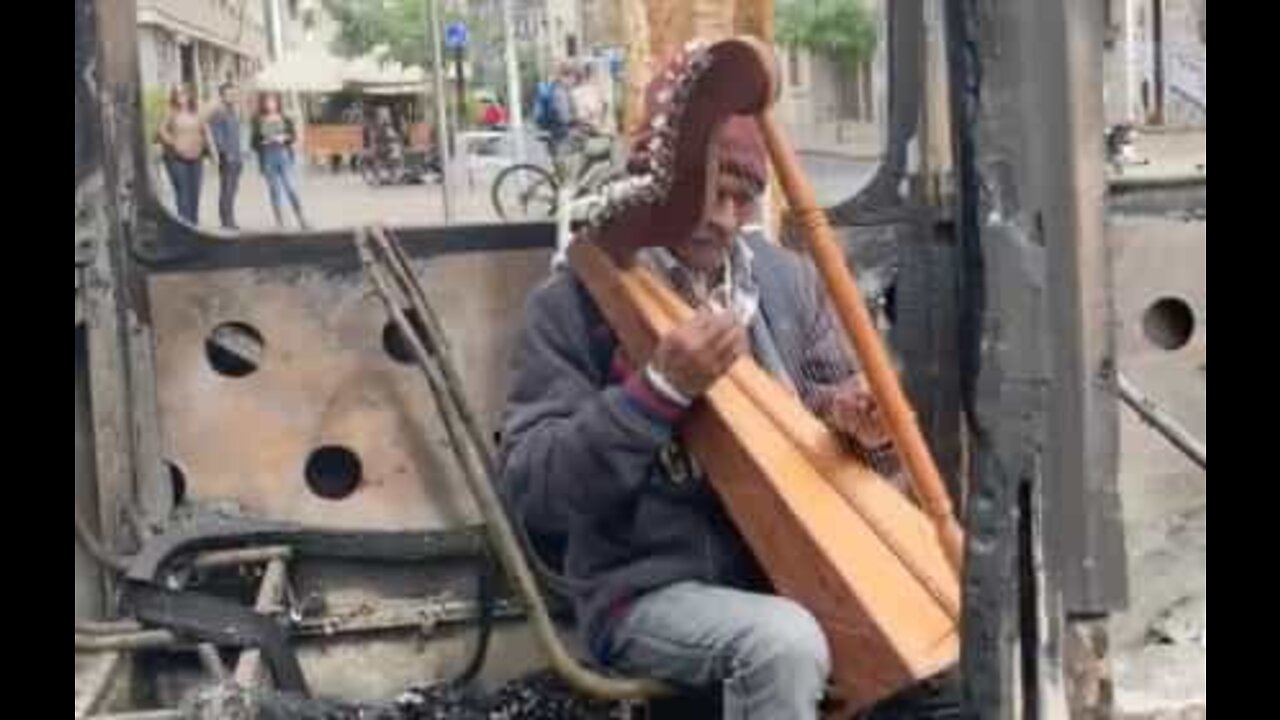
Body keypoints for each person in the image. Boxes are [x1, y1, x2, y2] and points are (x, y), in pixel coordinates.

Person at [500, 70, 961, 715]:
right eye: (708, 192)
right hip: (646, 590)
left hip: (798, 577)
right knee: (784, 644)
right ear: (659, 189)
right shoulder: (576, 302)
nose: (722, 219)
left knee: (950, 624)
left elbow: (856, 456)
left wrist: (862, 430)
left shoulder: (787, 283)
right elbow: (535, 493)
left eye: (743, 198)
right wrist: (658, 391)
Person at [251, 93, 309, 230]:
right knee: (274, 190)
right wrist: (264, 142)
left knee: (290, 188)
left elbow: (293, 136)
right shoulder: (258, 120)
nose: (271, 104)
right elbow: (253, 143)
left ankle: (302, 219)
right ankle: (279, 222)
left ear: (278, 103)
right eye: (268, 102)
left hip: (283, 154)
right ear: (263, 104)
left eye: (273, 101)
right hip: (268, 156)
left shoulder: (285, 118)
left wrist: (284, 138)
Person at [157, 85, 211, 225]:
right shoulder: (170, 112)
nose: (181, 96)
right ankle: (185, 226)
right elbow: (161, 131)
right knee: (183, 193)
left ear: (189, 96)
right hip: (176, 159)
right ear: (174, 97)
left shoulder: (197, 112)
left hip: (196, 157)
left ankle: (194, 223)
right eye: (178, 94)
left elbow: (205, 131)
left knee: (195, 193)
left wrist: (212, 152)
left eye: (184, 93)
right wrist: (174, 143)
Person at [208, 82, 244, 230]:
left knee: (233, 189)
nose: (233, 96)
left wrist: (240, 155)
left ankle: (229, 219)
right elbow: (217, 136)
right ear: (222, 95)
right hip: (228, 158)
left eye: (234, 93)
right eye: (229, 94)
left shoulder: (233, 111)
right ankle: (227, 221)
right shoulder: (218, 112)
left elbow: (235, 136)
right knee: (227, 189)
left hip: (237, 157)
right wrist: (225, 153)